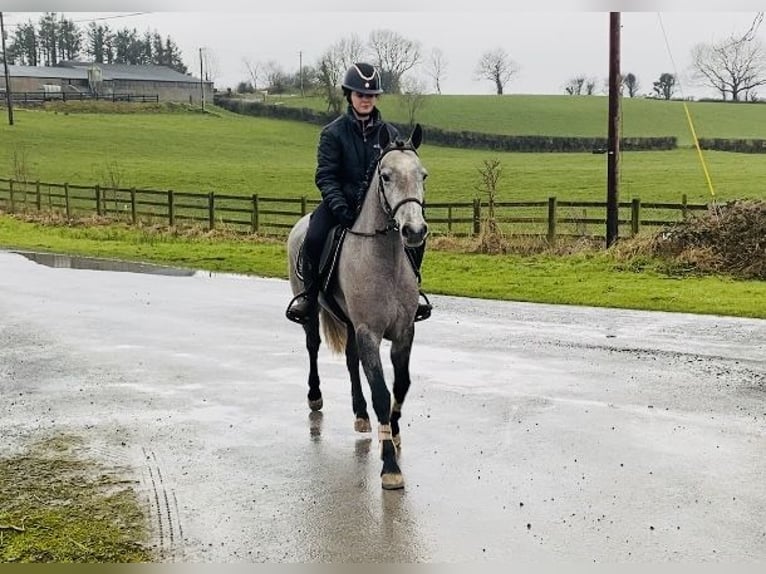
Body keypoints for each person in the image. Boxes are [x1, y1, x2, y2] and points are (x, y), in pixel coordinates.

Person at [286, 62, 431, 324]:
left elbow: (400, 174)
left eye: (371, 95)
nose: (366, 100)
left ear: (376, 98)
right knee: (315, 236)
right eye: (360, 94)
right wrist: (340, 207)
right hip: (339, 203)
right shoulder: (333, 133)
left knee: (416, 232)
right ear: (349, 95)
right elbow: (325, 176)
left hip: (379, 207)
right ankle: (309, 295)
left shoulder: (390, 133)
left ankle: (413, 289)